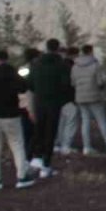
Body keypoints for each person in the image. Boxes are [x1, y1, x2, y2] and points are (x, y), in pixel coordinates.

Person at [0, 50, 36, 191]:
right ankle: (22, 177)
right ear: (7, 59)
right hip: (12, 115)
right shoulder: (13, 74)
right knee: (17, 145)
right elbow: (24, 87)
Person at [27, 39, 71, 178]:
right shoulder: (62, 65)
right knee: (50, 133)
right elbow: (66, 85)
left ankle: (34, 159)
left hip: (39, 101)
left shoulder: (36, 64)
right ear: (58, 49)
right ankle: (46, 165)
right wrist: (63, 100)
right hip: (54, 103)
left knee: (38, 130)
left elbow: (30, 84)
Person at [70, 45, 106, 155]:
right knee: (101, 120)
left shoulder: (75, 66)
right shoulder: (95, 65)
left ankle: (86, 147)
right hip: (94, 96)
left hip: (80, 97)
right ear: (91, 52)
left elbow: (72, 83)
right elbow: (100, 82)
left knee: (85, 121)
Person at [55, 47, 81, 155]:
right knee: (71, 120)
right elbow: (72, 83)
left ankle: (58, 144)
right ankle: (66, 145)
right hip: (68, 98)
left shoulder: (53, 65)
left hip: (56, 99)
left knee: (60, 122)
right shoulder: (70, 66)